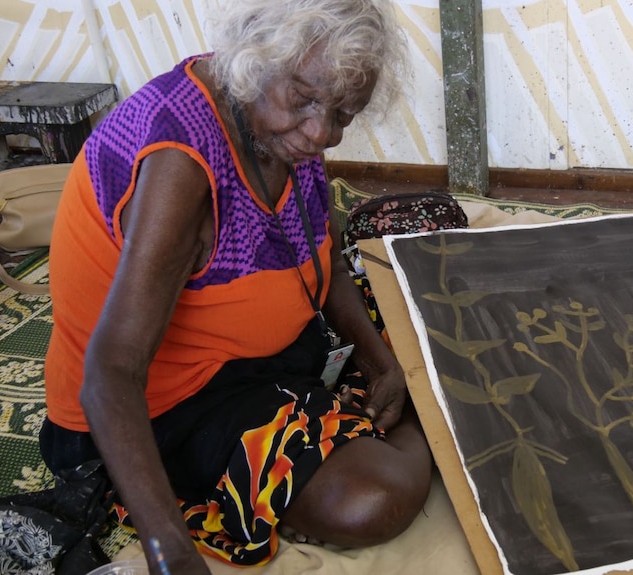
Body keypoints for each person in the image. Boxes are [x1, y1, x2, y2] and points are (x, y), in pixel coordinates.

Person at [38, 0, 433, 573]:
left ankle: (398, 395)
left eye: (345, 114)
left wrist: (379, 363)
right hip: (161, 406)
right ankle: (428, 420)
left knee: (418, 297)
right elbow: (110, 373)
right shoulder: (181, 165)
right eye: (305, 101)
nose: (322, 132)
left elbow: (322, 260)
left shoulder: (275, 124)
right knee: (370, 500)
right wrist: (167, 550)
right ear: (255, 61)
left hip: (264, 356)